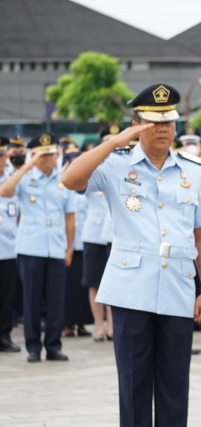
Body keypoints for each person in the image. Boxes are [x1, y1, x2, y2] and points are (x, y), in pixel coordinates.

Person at [61, 83, 201, 427]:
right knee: (133, 383)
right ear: (137, 124)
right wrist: (114, 142)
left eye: (169, 122)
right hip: (130, 290)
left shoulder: (193, 170)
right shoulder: (116, 164)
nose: (163, 129)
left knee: (175, 384)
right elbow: (70, 180)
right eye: (152, 122)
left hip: (178, 288)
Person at [0, 133, 76, 363]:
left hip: (55, 248)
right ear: (35, 156)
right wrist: (28, 166)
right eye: (43, 155)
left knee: (55, 301)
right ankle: (33, 347)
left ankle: (53, 345)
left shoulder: (63, 181)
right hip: (30, 248)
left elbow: (70, 218)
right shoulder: (24, 178)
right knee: (31, 300)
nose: (48, 159)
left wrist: (70, 248)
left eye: (51, 154)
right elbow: (5, 191)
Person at [82, 132, 115, 341]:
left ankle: (112, 327)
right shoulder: (94, 168)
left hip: (114, 233)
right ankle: (98, 327)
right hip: (94, 233)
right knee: (94, 282)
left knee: (113, 282)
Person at [61, 143, 93, 337]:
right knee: (68, 285)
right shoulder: (62, 183)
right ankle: (67, 323)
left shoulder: (88, 181)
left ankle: (81, 322)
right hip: (68, 243)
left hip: (85, 240)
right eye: (71, 158)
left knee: (82, 286)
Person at [0, 137, 21, 353]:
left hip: (7, 249)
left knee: (6, 297)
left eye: (2, 156)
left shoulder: (12, 181)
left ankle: (4, 336)